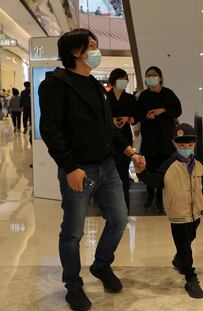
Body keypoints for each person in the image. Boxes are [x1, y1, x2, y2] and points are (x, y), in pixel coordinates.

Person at [39, 28, 140, 311]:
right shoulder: (55, 84)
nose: (97, 51)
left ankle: (101, 264)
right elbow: (50, 130)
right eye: (92, 46)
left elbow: (107, 128)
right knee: (73, 232)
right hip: (79, 170)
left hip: (107, 167)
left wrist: (130, 151)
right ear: (76, 52)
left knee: (119, 219)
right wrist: (69, 167)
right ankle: (73, 285)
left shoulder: (96, 86)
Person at [135, 123, 203, 299]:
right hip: (178, 215)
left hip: (195, 213)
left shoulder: (198, 165)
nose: (186, 149)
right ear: (175, 144)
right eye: (182, 146)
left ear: (195, 144)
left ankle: (178, 258)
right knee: (185, 247)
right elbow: (154, 181)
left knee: (191, 238)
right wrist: (142, 172)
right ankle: (190, 277)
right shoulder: (169, 164)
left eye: (189, 146)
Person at [137, 66, 182, 212]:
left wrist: (163, 110)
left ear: (160, 78)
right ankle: (150, 195)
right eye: (148, 75)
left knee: (164, 171)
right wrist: (146, 116)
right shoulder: (143, 96)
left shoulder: (168, 94)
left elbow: (178, 110)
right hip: (149, 141)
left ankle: (160, 199)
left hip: (165, 141)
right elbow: (137, 115)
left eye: (154, 75)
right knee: (149, 169)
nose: (151, 77)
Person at [107, 68, 137, 214]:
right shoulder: (105, 97)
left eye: (125, 79)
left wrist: (127, 119)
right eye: (121, 78)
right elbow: (100, 117)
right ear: (113, 80)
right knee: (109, 174)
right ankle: (109, 208)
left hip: (125, 138)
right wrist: (110, 120)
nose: (123, 81)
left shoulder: (130, 98)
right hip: (109, 139)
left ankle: (125, 208)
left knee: (123, 174)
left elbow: (135, 118)